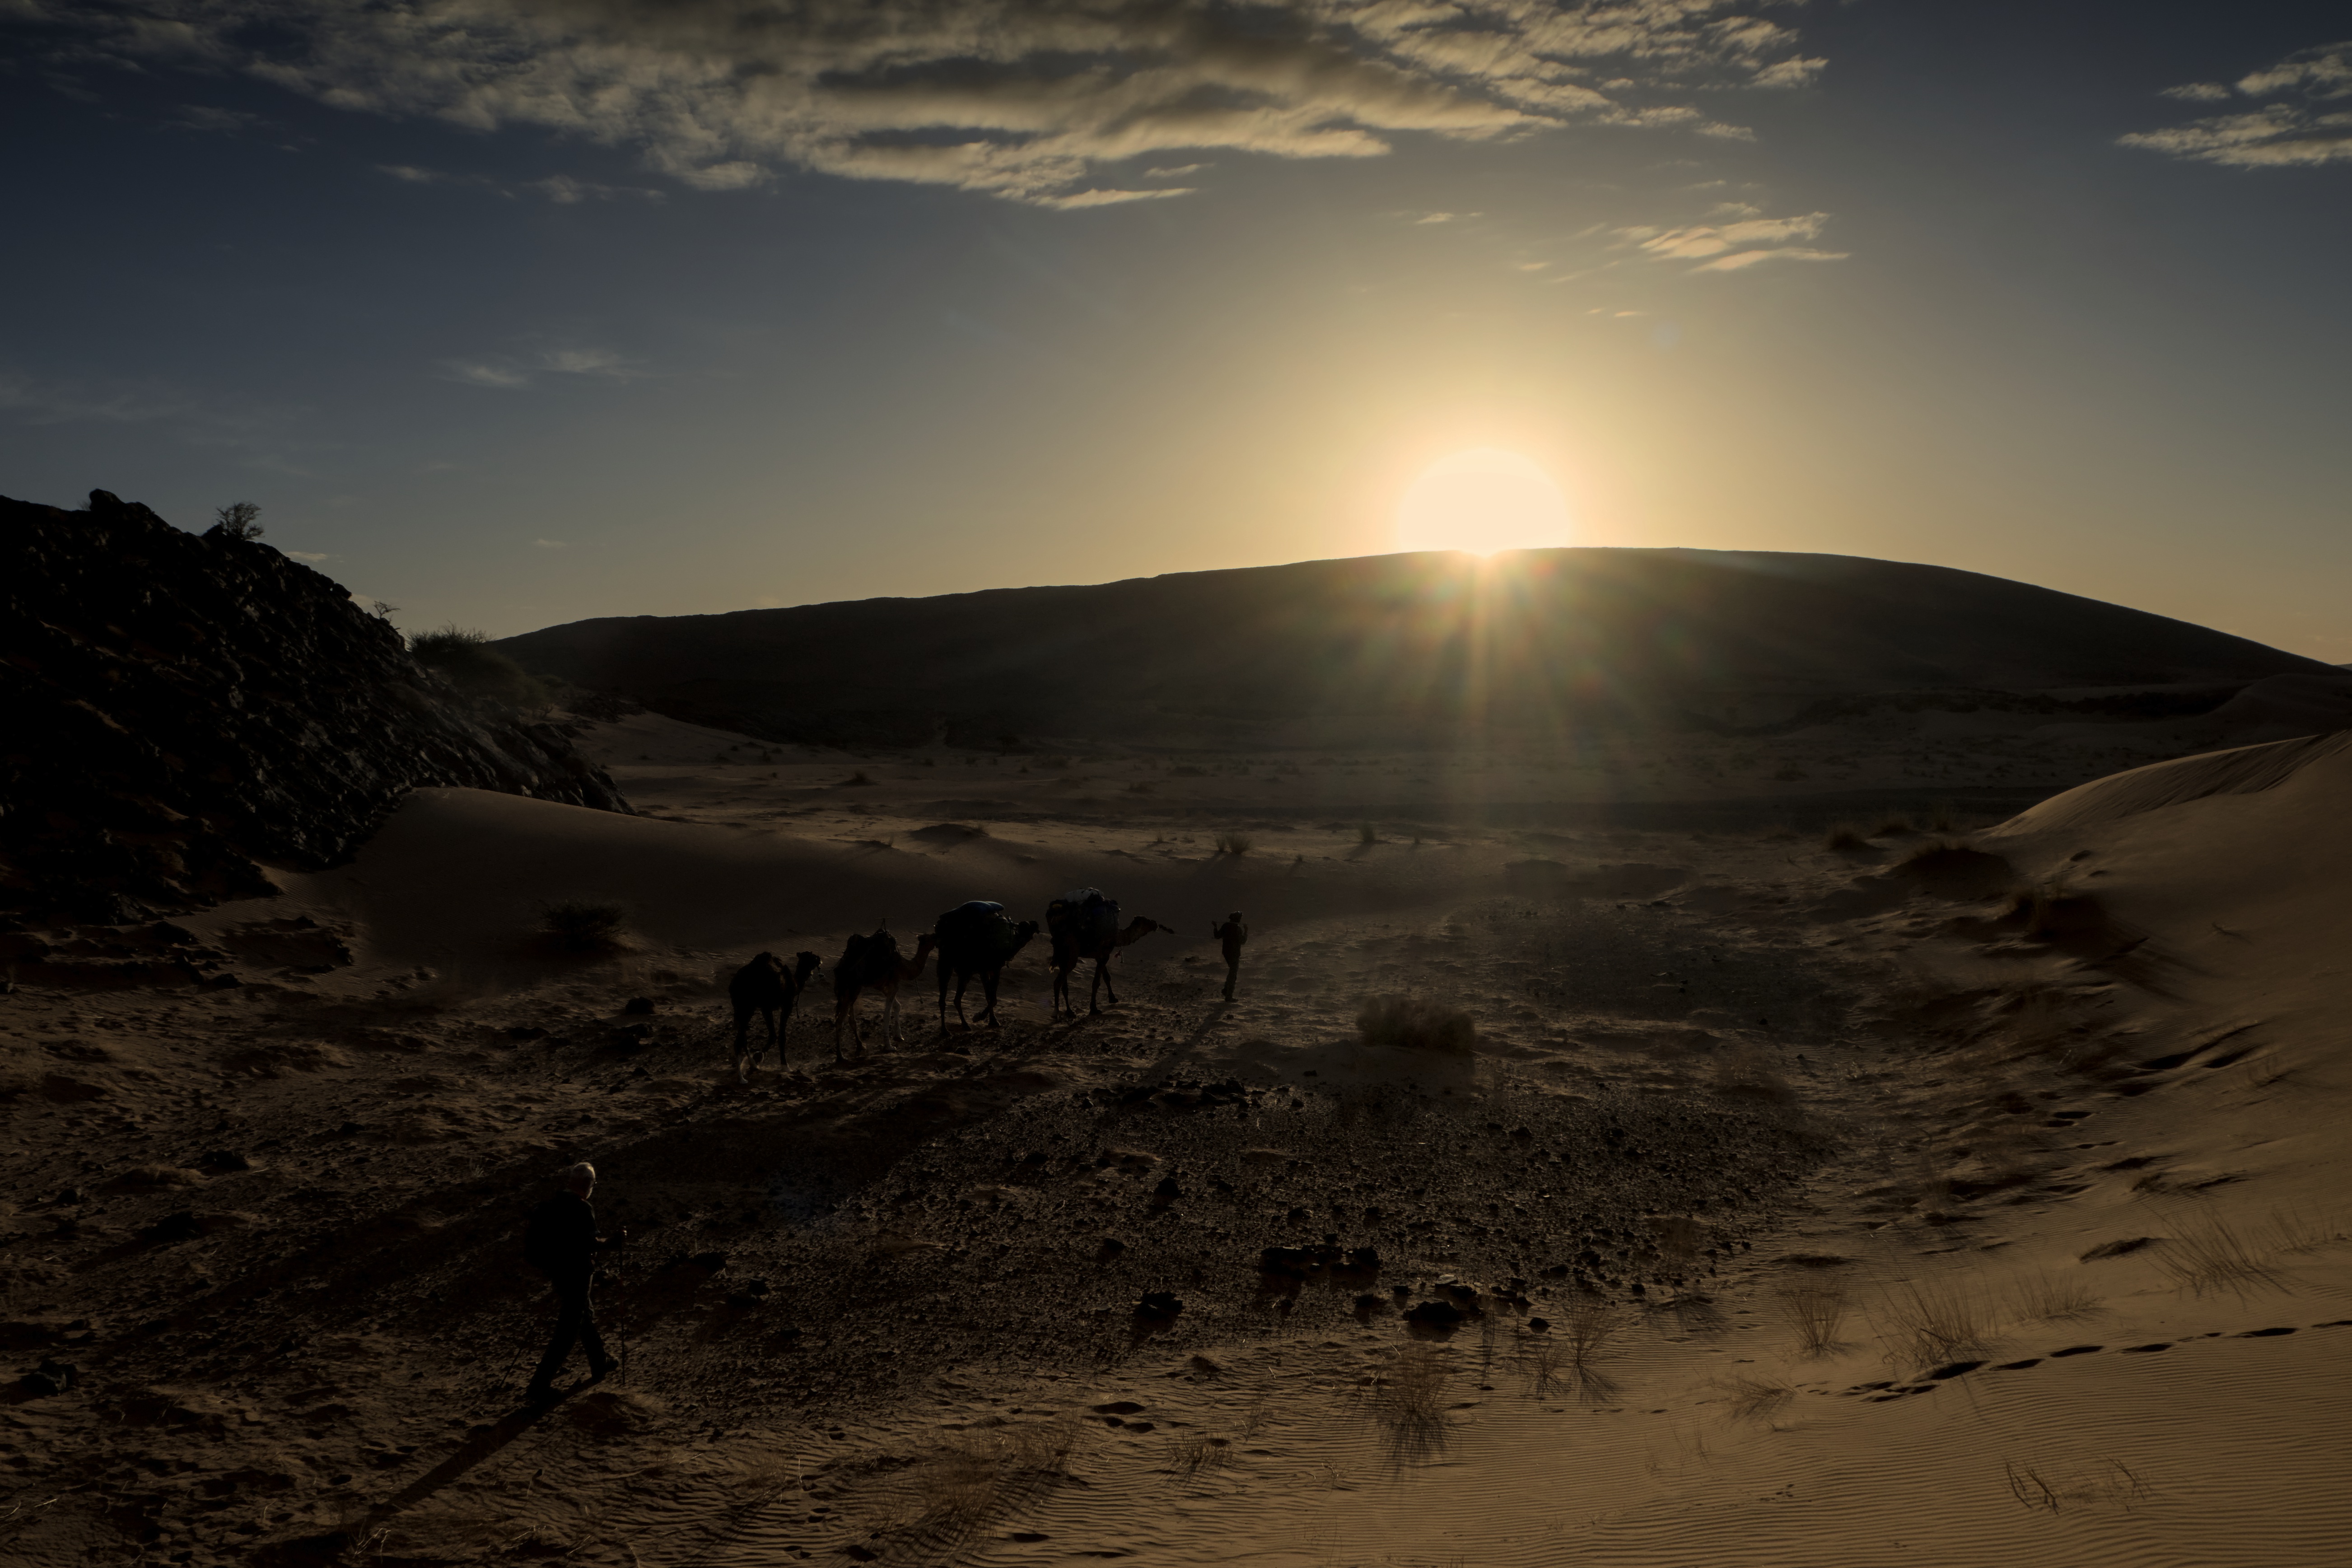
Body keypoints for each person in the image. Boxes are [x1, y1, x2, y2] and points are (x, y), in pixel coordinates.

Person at [523, 1161, 625, 1404]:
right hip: (578, 1274)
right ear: (588, 1185)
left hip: (557, 1273)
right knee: (568, 1330)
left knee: (583, 1316)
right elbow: (593, 1243)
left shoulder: (550, 1206)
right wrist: (615, 1241)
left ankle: (600, 1361)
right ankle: (539, 1386)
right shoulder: (582, 1209)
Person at [1212, 910, 1248, 1002]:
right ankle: (1229, 996)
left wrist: (1215, 927)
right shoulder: (1237, 929)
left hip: (1226, 953)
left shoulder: (1226, 926)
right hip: (1234, 954)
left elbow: (1217, 936)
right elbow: (1243, 942)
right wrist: (1246, 932)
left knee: (1232, 971)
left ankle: (1226, 990)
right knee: (1233, 974)